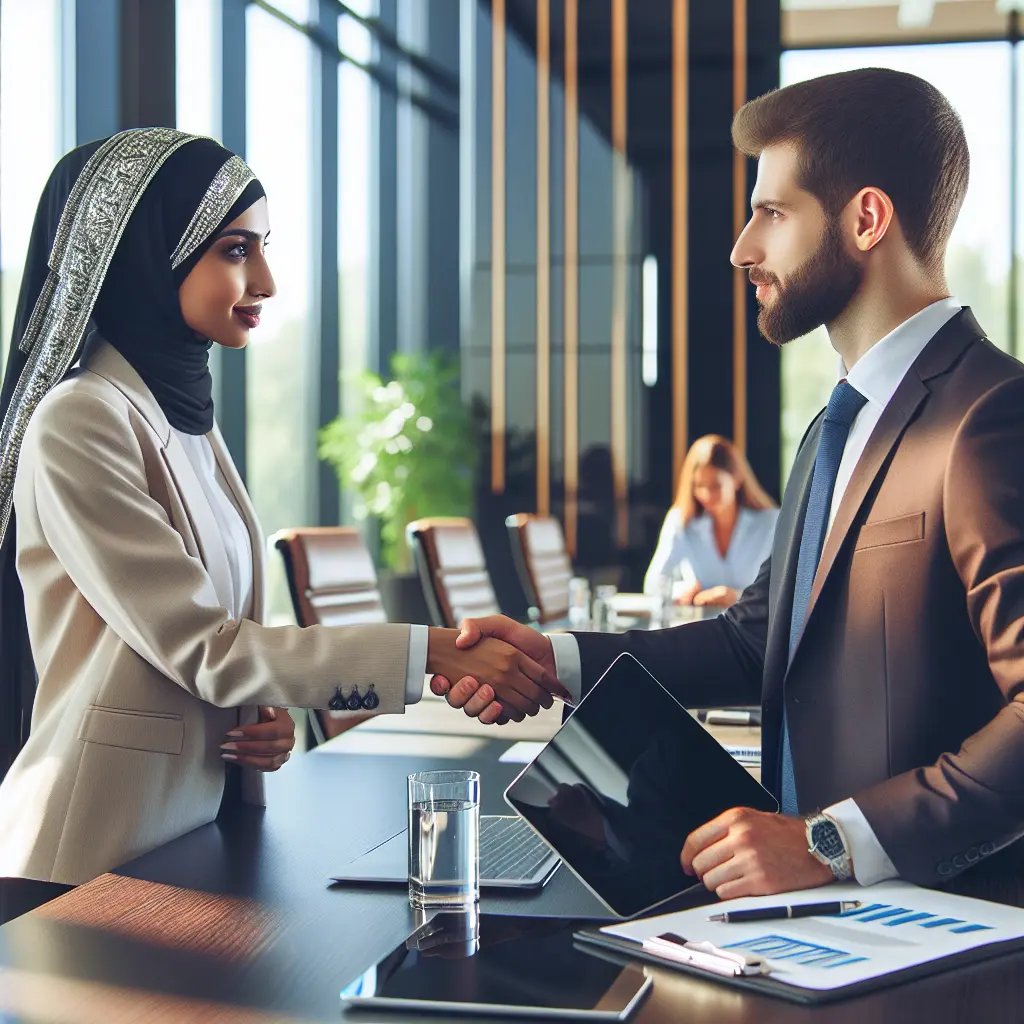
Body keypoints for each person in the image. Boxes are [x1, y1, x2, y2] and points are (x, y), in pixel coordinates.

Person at [433, 67, 1024, 901]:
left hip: (929, 934)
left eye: (772, 213)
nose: (743, 247)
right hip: (807, 919)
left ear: (866, 218)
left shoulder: (992, 415)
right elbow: (756, 641)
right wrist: (557, 659)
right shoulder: (835, 427)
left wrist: (831, 843)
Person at [0, 129, 568, 915]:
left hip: (193, 834)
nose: (264, 278)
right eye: (235, 249)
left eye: (263, 247)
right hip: (91, 856)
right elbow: (204, 646)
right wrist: (435, 652)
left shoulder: (183, 416)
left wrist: (252, 726)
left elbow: (202, 653)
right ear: (147, 250)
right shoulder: (80, 420)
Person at [644, 434, 778, 608]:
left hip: (751, 629)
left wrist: (737, 596)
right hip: (698, 627)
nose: (706, 495)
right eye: (699, 485)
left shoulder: (770, 523)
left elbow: (782, 588)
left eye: (716, 485)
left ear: (737, 478)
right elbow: (653, 584)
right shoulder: (681, 521)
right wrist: (688, 591)